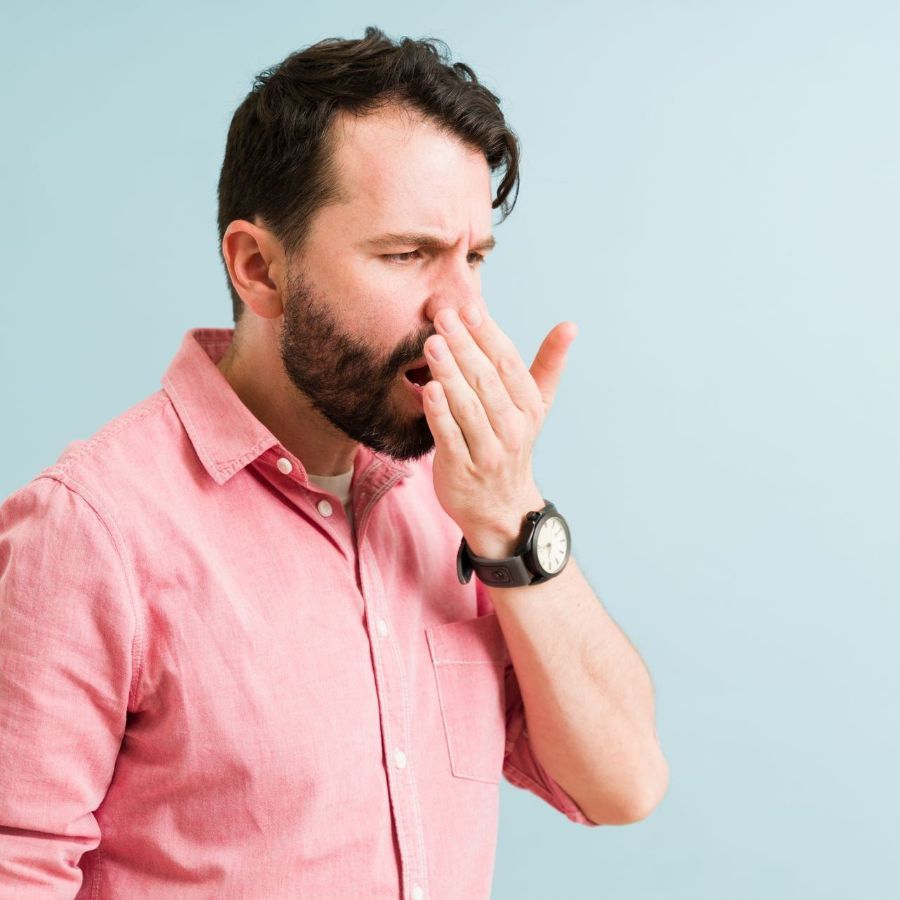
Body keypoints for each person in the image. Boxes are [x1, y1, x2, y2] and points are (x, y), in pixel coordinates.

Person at [0, 26, 668, 899]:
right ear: (258, 268)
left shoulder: (460, 501)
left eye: (473, 258)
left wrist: (512, 513)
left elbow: (621, 785)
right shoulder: (89, 530)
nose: (462, 314)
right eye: (406, 255)